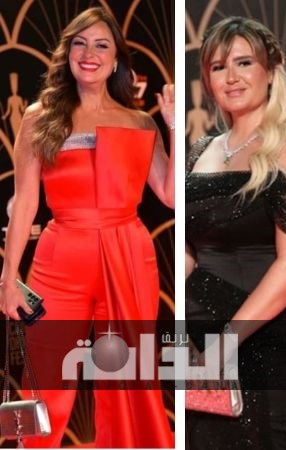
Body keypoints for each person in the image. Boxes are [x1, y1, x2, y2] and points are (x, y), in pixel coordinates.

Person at [0, 7, 174, 447]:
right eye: (80, 43)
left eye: (101, 45)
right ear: (68, 54)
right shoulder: (40, 116)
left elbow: (171, 195)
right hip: (60, 257)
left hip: (129, 256)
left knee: (128, 381)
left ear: (116, 60)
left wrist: (174, 129)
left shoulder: (140, 121)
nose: (89, 53)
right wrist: (9, 279)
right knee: (45, 382)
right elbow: (25, 203)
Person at [184, 17, 286, 450]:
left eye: (244, 63)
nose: (231, 77)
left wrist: (224, 345)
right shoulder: (199, 151)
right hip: (198, 342)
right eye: (218, 67)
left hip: (268, 343)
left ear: (270, 71)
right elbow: (187, 253)